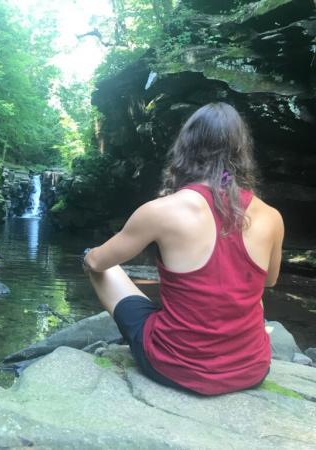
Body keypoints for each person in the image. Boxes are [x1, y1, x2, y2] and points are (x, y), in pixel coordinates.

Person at [83, 102, 284, 396]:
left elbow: (98, 262)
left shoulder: (162, 210)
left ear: (186, 147)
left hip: (173, 366)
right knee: (254, 292)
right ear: (242, 151)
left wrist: (88, 255)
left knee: (96, 261)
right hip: (251, 370)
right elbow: (269, 280)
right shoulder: (271, 216)